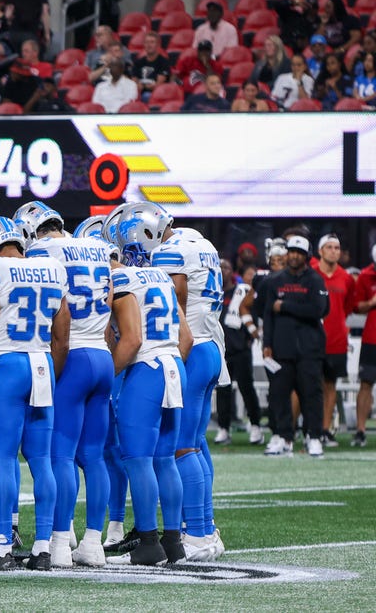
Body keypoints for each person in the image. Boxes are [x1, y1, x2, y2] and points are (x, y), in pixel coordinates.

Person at [0, 217, 70, 572]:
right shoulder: (52, 268)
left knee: (5, 460)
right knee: (41, 460)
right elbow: (62, 332)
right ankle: (43, 549)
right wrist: (48, 374)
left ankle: (4, 549)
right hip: (41, 363)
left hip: (8, 364)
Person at [17, 203, 113, 568]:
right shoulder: (97, 247)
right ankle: (93, 542)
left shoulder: (43, 251)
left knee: (60, 455)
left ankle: (58, 541)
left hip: (70, 357)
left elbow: (57, 313)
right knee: (93, 456)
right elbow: (108, 302)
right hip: (101, 355)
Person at [103, 203, 193, 566]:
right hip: (174, 366)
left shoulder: (123, 279)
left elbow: (132, 340)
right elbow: (186, 338)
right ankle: (173, 542)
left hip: (147, 369)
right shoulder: (163, 279)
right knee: (165, 460)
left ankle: (149, 544)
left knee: (137, 460)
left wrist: (105, 374)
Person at [151, 222, 226, 561]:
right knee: (195, 444)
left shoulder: (175, 249)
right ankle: (207, 529)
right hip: (211, 345)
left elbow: (176, 302)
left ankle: (196, 532)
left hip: (192, 348)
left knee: (182, 447)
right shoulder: (204, 245)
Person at [262, 235, 329, 457]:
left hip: (310, 349)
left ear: (307, 256)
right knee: (279, 394)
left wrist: (286, 305)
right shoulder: (275, 281)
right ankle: (284, 437)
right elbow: (268, 314)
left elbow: (318, 310)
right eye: (291, 251)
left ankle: (314, 436)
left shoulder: (316, 280)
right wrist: (267, 344)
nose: (293, 256)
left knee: (311, 394)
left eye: (298, 253)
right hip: (281, 348)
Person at [313, 234, 355, 446]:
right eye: (329, 247)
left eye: (337, 248)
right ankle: (308, 429)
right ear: (320, 251)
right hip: (312, 339)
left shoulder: (346, 277)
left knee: (331, 386)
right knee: (310, 385)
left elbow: (347, 307)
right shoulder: (311, 274)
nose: (334, 251)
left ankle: (325, 430)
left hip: (337, 340)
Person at [216, 260, 264, 445]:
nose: (222, 270)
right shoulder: (213, 293)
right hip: (222, 348)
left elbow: (254, 314)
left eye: (226, 267)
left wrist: (250, 337)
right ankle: (223, 428)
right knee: (223, 390)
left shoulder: (241, 292)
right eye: (219, 267)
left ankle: (256, 426)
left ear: (232, 271)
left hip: (240, 348)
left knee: (247, 388)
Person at [354, 244, 376, 447]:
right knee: (366, 384)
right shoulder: (366, 276)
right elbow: (357, 307)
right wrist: (371, 302)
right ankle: (360, 430)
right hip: (372, 338)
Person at [131, 32, 170, 100]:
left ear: (158, 45)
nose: (149, 45)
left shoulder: (163, 62)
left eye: (152, 42)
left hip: (155, 94)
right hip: (139, 93)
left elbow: (159, 83)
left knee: (146, 96)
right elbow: (134, 79)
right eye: (146, 42)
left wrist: (147, 86)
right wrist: (137, 84)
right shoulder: (138, 62)